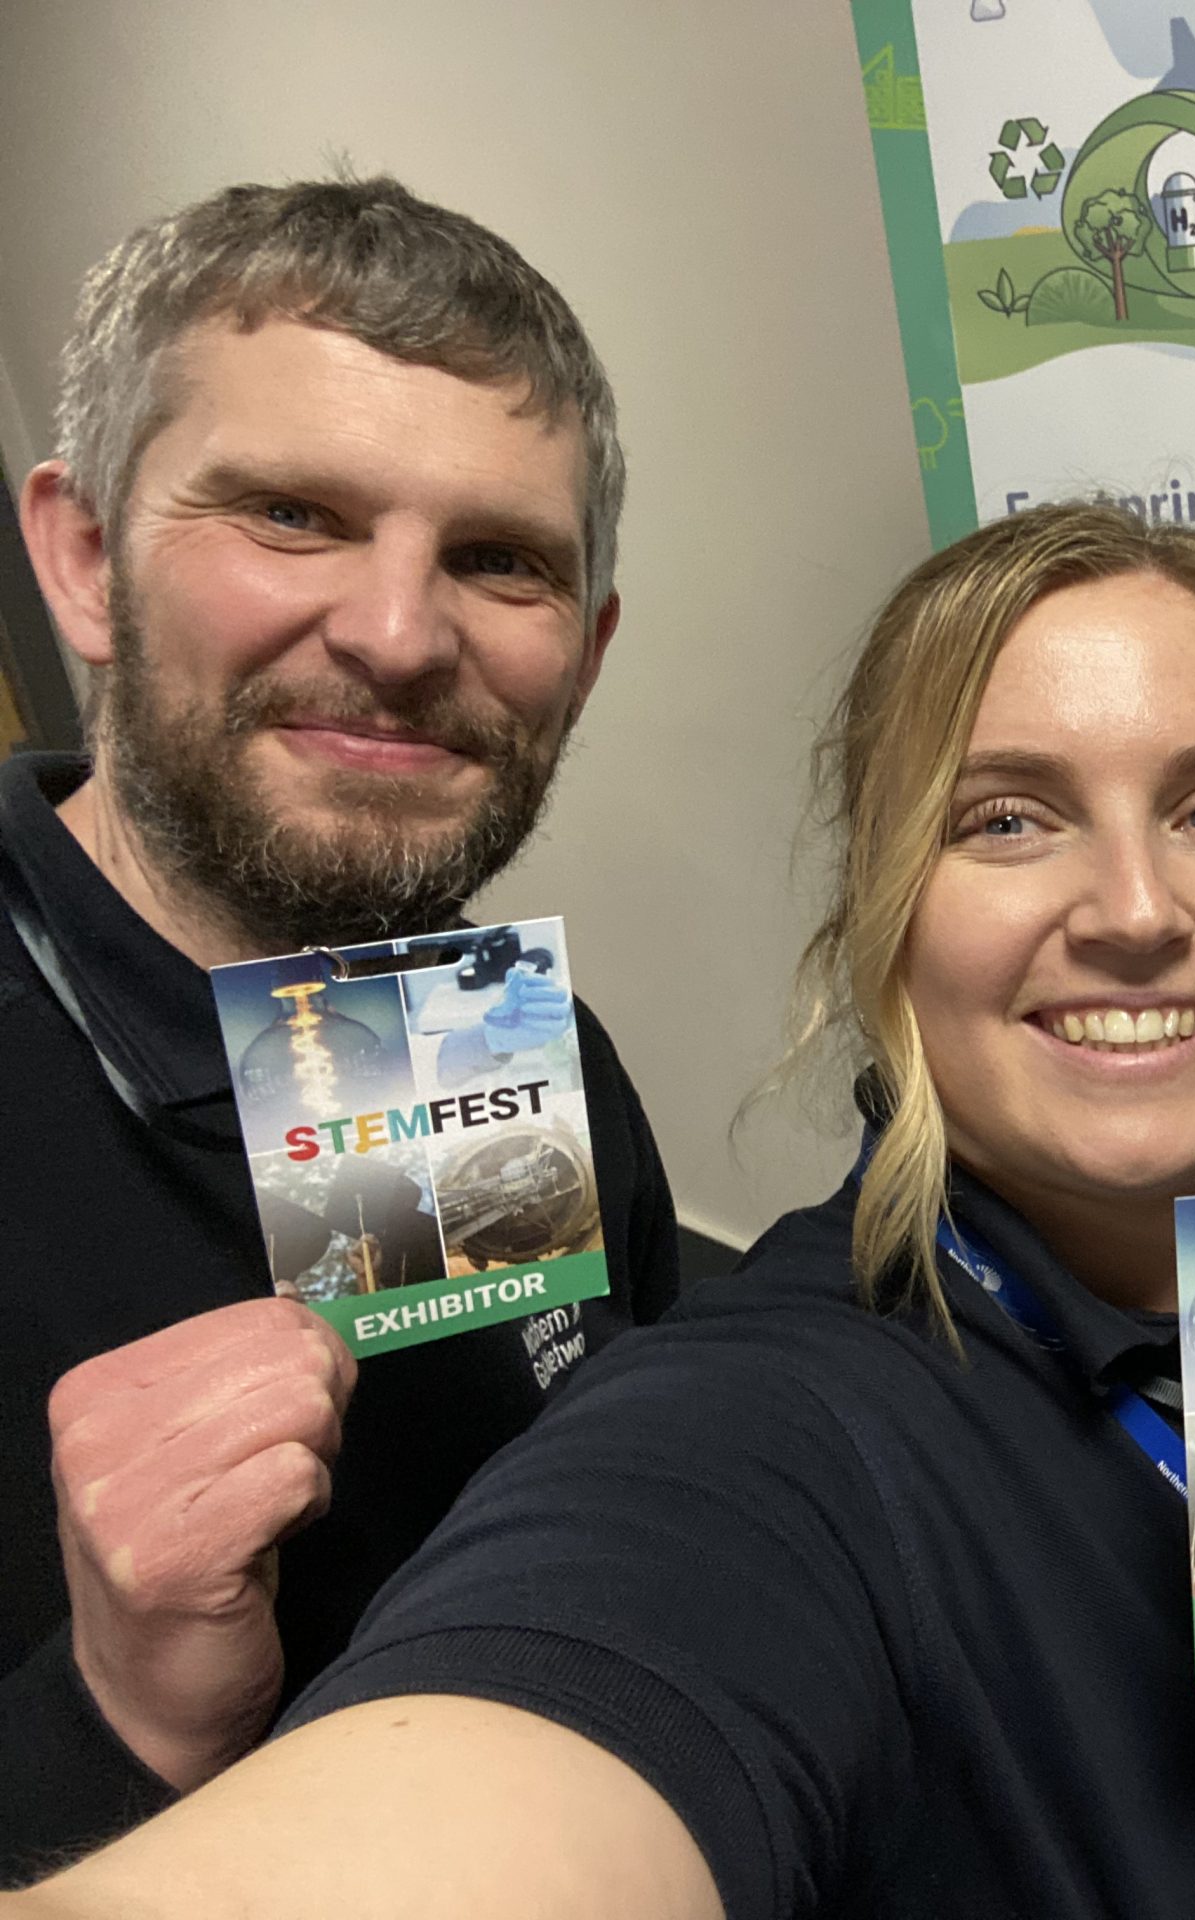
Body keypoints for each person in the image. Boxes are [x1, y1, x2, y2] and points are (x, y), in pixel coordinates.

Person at [0, 503, 1195, 1919]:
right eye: (1008, 819)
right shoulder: (786, 1428)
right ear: (884, 918)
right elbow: (532, 1745)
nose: (1137, 908)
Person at [0, 177, 681, 1879]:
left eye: (499, 560)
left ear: (587, 652)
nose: (397, 636)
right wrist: (112, 1712)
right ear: (83, 557)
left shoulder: (529, 1057)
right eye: (293, 514)